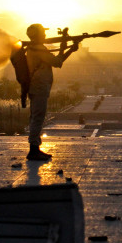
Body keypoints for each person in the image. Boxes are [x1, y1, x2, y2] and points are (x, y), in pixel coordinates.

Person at [25, 24, 78, 160]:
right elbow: (57, 62)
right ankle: (33, 150)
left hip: (37, 86)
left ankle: (35, 147)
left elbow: (56, 59)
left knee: (36, 117)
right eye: (42, 33)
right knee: (38, 117)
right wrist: (70, 49)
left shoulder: (34, 49)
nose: (45, 35)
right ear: (36, 35)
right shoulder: (38, 49)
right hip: (39, 87)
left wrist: (65, 43)